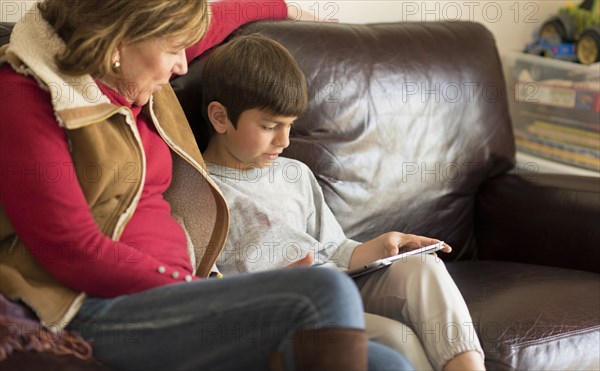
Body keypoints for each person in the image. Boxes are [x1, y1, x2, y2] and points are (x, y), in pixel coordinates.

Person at [0, 0, 414, 370]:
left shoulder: (133, 71)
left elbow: (222, 15)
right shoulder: (25, 96)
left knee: (387, 363)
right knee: (322, 292)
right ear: (120, 40)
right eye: (173, 49)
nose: (183, 65)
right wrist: (195, 288)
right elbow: (73, 251)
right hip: (92, 308)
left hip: (172, 299)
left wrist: (294, 10)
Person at [201, 33, 487, 371]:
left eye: (290, 126)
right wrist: (276, 285)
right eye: (269, 126)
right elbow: (206, 293)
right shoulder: (202, 191)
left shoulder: (295, 174)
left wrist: (380, 247)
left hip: (338, 280)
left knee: (423, 267)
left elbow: (335, 250)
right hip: (287, 308)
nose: (284, 140)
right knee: (397, 338)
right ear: (220, 118)